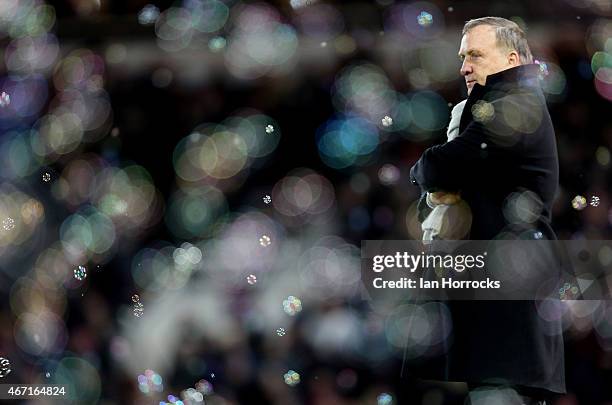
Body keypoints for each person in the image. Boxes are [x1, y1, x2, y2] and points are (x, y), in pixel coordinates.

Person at [410, 17, 565, 404]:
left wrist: (427, 171)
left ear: (511, 59)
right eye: (463, 56)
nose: (464, 66)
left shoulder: (516, 105)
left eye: (476, 55)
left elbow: (438, 168)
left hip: (508, 303)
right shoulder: (491, 108)